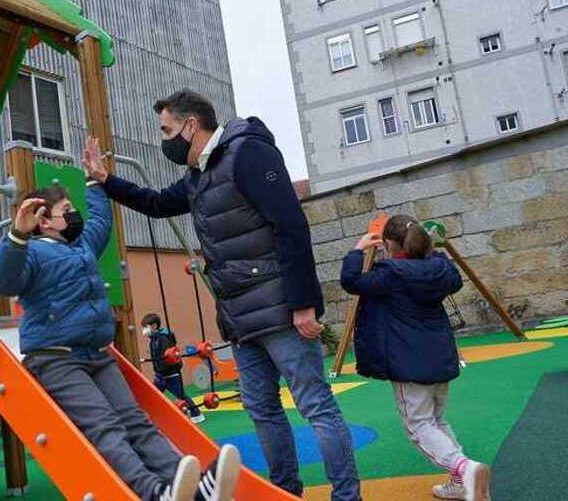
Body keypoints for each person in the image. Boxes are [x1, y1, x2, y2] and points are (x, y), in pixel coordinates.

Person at [82, 90, 361, 500]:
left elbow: (291, 225)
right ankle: (286, 491)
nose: (164, 140)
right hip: (239, 315)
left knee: (315, 405)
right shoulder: (200, 174)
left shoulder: (247, 154)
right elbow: (157, 203)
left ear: (191, 125)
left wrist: (303, 303)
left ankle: (346, 496)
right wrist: (107, 182)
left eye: (167, 130)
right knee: (262, 409)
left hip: (282, 307)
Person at [0, 174, 240, 501]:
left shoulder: (80, 246)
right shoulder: (32, 252)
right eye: (67, 210)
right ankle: (153, 493)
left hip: (96, 354)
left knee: (136, 421)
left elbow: (102, 222)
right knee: (106, 427)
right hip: (56, 358)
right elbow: (0, 280)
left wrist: (95, 183)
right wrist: (17, 234)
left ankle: (187, 486)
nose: (75, 215)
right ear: (45, 221)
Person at [339, 214, 491, 501]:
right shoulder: (440, 268)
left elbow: (351, 281)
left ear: (390, 246)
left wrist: (357, 250)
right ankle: (460, 480)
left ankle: (464, 468)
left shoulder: (390, 274)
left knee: (418, 427)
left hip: (408, 364)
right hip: (440, 358)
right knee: (435, 419)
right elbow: (452, 276)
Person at [141, 313, 205, 424]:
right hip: (161, 374)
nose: (144, 330)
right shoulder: (153, 339)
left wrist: (160, 368)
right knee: (153, 394)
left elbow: (167, 357)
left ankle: (197, 414)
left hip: (171, 373)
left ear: (154, 326)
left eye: (146, 327)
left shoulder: (163, 339)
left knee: (180, 394)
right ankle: (150, 417)